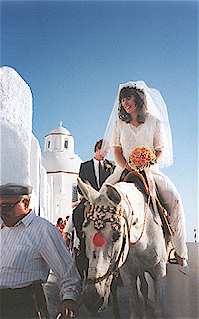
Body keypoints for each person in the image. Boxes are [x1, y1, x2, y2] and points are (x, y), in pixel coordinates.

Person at [101, 81, 188, 274]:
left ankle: (179, 251)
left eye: (128, 97)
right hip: (123, 169)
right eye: (122, 99)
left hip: (150, 170)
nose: (125, 102)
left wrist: (146, 163)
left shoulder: (154, 122)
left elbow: (159, 150)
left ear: (138, 99)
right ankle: (98, 251)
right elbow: (116, 151)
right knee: (99, 198)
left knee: (174, 199)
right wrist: (128, 166)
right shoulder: (119, 123)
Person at [0, 183, 81, 319]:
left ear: (26, 202)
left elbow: (67, 273)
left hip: (24, 305)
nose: (2, 212)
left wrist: (69, 299)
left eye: (7, 206)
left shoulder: (43, 230)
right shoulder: (2, 229)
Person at [73, 139, 115, 279]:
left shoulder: (111, 166)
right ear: (97, 149)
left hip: (105, 202)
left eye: (108, 151)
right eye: (105, 151)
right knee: (77, 213)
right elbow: (80, 185)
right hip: (89, 200)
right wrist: (89, 193)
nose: (106, 154)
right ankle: (81, 241)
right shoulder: (84, 166)